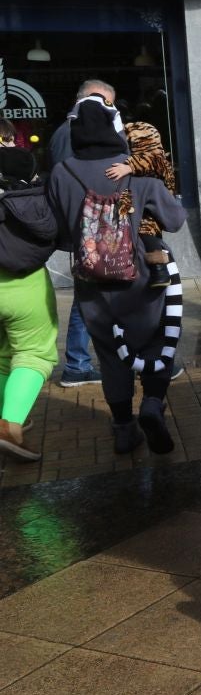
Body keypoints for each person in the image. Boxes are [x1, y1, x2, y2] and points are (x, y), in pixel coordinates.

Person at [46, 97, 185, 456]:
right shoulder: (131, 169)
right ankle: (152, 404)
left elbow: (60, 233)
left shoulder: (61, 172)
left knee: (110, 353)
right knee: (156, 340)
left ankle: (124, 428)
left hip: (92, 281)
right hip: (144, 277)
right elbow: (174, 220)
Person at [49, 80, 120, 389]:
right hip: (92, 231)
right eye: (107, 104)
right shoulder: (73, 134)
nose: (110, 111)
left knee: (89, 298)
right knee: (87, 300)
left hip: (85, 231)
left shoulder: (65, 132)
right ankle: (78, 364)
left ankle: (81, 362)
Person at [0, 145, 59, 462]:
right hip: (25, 285)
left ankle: (7, 415)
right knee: (34, 353)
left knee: (1, 356)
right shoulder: (33, 198)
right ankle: (9, 426)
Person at [103, 122, 178, 288]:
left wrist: (129, 167)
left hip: (151, 211)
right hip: (144, 206)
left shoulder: (158, 160)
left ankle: (159, 270)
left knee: (147, 233)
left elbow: (151, 161)